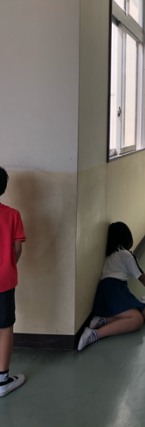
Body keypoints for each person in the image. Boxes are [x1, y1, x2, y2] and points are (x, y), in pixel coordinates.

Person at [78, 222, 145, 351]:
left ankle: (103, 320)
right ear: (127, 237)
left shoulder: (112, 254)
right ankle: (94, 334)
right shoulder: (126, 255)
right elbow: (142, 276)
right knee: (137, 320)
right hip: (113, 289)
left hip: (108, 290)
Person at [0, 167, 26, 397]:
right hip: (4, 280)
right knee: (5, 325)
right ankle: (2, 381)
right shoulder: (12, 215)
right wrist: (9, 264)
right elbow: (17, 249)